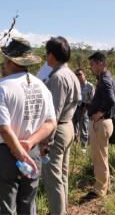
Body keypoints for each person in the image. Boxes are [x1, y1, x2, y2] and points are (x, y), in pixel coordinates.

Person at [0, 37, 57, 215]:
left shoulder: (1, 87)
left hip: (6, 153)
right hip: (32, 151)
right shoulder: (42, 86)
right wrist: (28, 144)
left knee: (6, 206)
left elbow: (4, 129)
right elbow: (51, 123)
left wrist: (19, 151)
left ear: (10, 61)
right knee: (28, 203)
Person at [40, 36, 82, 214]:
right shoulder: (71, 74)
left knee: (53, 179)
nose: (46, 56)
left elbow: (54, 114)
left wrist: (45, 141)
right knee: (62, 176)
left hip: (57, 132)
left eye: (46, 53)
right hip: (68, 127)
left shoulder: (57, 77)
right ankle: (62, 210)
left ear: (52, 55)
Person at [81, 52, 115, 201]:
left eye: (92, 64)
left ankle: (99, 189)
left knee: (99, 157)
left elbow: (111, 99)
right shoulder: (105, 79)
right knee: (102, 156)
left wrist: (99, 113)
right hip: (104, 123)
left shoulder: (105, 80)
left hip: (101, 123)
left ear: (100, 64)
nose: (91, 68)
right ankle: (105, 185)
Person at [72, 69, 95, 152]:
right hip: (74, 108)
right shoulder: (74, 85)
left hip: (83, 110)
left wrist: (86, 105)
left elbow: (93, 99)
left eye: (79, 74)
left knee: (84, 129)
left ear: (84, 75)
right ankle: (74, 146)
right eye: (76, 75)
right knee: (73, 128)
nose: (78, 76)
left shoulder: (90, 86)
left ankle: (83, 147)